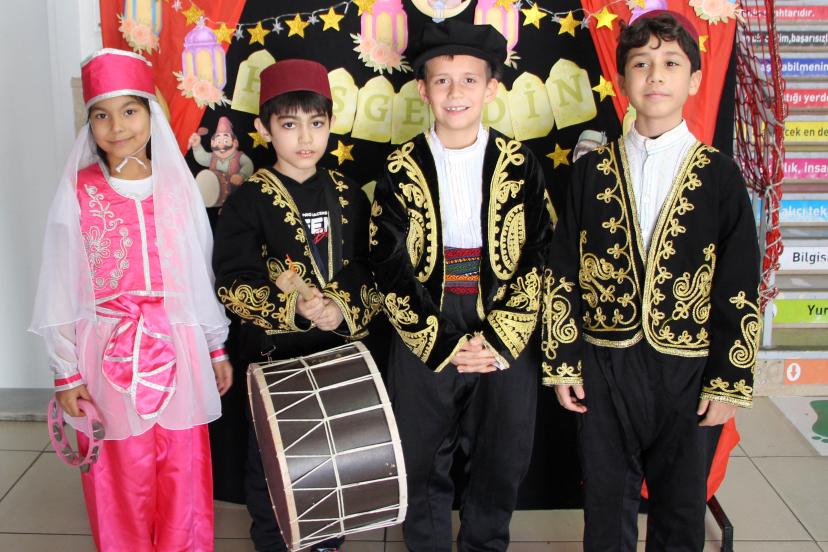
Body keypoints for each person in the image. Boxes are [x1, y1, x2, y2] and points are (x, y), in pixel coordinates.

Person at [542, 11, 761, 551]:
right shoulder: (590, 171)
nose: (656, 76)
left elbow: (738, 282)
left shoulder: (720, 174)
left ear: (694, 80)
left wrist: (729, 380)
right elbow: (563, 268)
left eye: (670, 64)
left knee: (681, 505)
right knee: (606, 499)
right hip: (604, 362)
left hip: (688, 365)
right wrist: (563, 359)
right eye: (641, 64)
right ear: (623, 81)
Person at [29, 48, 232, 551]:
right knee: (118, 471)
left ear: (150, 114)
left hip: (178, 347)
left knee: (182, 467)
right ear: (89, 123)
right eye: (102, 115)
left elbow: (198, 274)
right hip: (106, 351)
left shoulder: (177, 189)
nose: (117, 126)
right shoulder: (79, 191)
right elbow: (60, 282)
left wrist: (214, 348)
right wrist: (66, 371)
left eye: (129, 111)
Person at [369, 19, 552, 552]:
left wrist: (500, 336)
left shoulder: (520, 163)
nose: (456, 92)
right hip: (425, 316)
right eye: (442, 80)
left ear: (491, 88)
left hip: (503, 316)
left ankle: (485, 542)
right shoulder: (400, 165)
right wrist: (441, 340)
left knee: (502, 450)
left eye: (470, 80)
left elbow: (540, 249)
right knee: (420, 452)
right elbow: (388, 259)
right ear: (422, 89)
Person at [212, 59, 378, 552]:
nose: (305, 137)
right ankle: (273, 540)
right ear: (264, 128)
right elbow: (233, 283)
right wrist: (294, 310)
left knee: (336, 456)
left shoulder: (349, 194)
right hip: (274, 359)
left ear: (331, 123)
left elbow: (371, 268)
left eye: (316, 122)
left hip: (340, 351)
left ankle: (328, 540)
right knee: (274, 462)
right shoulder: (247, 201)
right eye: (289, 124)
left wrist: (341, 307)